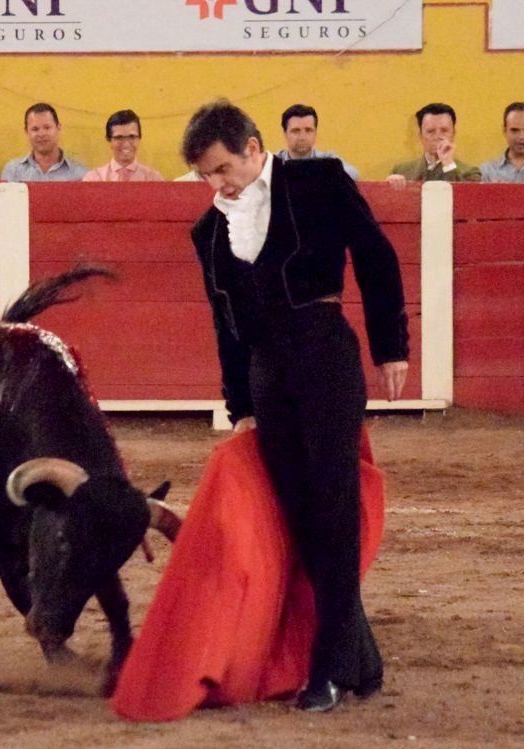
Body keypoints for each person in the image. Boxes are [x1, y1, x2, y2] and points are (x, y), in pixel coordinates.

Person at [184, 100, 408, 712]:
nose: (217, 184)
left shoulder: (318, 181)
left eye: (224, 169)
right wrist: (241, 405)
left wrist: (391, 345)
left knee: (333, 505)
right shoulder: (208, 231)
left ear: (254, 148)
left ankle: (330, 667)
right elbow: (225, 324)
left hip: (325, 353)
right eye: (207, 174)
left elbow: (376, 255)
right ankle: (358, 656)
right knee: (300, 514)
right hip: (267, 373)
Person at [387, 103, 480, 189]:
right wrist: (389, 187)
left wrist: (448, 163)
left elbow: (464, 199)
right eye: (431, 131)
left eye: (444, 130)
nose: (437, 137)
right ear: (420, 136)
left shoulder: (470, 172)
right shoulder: (402, 171)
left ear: (453, 134)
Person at [0, 103, 87, 182]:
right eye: (35, 129)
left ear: (58, 128)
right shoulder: (14, 171)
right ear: (26, 132)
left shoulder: (80, 173)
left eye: (47, 127)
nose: (41, 134)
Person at [275, 104, 360, 180]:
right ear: (285, 134)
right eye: (296, 131)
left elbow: (354, 173)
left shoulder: (328, 160)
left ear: (315, 133)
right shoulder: (274, 163)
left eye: (308, 130)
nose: (302, 137)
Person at [83, 110, 164, 182]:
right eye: (119, 137)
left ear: (139, 139)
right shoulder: (94, 179)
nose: (126, 144)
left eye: (132, 137)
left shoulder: (153, 179)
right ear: (109, 140)